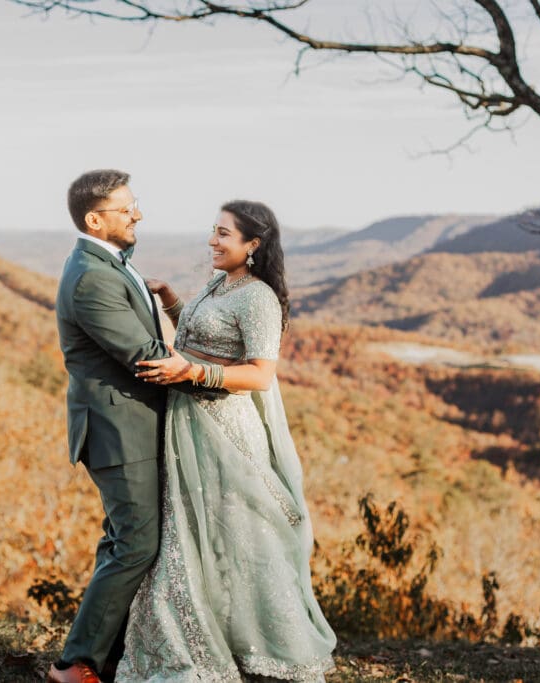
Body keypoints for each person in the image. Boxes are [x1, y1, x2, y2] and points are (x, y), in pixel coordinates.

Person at [122, 200, 337, 682]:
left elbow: (260, 375)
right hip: (190, 423)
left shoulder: (258, 296)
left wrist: (191, 371)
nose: (213, 241)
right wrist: (173, 302)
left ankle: (268, 643)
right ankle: (205, 635)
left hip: (227, 429)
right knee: (199, 534)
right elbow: (204, 339)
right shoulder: (221, 283)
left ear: (253, 245)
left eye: (224, 234)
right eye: (212, 231)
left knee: (243, 531)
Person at [49, 169, 195, 683]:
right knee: (135, 544)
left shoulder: (108, 264)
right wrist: (223, 378)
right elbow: (146, 358)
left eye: (136, 204)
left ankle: (106, 655)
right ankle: (75, 664)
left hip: (131, 425)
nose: (138, 214)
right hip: (118, 429)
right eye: (126, 207)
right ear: (95, 218)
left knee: (123, 540)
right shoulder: (91, 277)